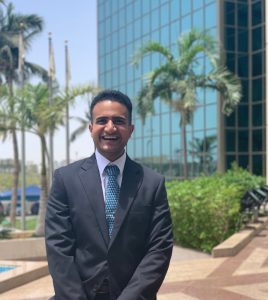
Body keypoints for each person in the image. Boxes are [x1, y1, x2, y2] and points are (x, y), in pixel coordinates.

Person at [45, 89, 173, 300]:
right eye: (102, 120)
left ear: (131, 129)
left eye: (119, 121)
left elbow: (159, 249)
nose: (110, 127)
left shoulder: (152, 183)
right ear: (91, 127)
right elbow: (58, 249)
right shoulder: (65, 180)